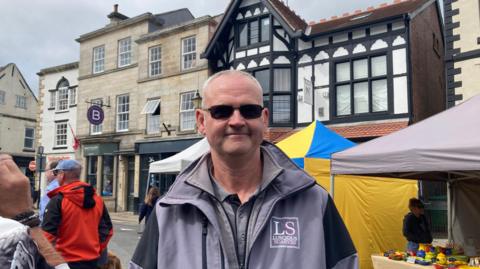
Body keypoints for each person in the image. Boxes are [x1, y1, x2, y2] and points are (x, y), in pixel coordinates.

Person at [129, 70, 358, 269]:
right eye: (221, 111)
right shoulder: (168, 211)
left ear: (264, 119)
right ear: (201, 121)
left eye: (249, 110)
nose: (237, 120)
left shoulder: (315, 202)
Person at [0, 154, 69, 269]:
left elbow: (49, 224)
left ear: (54, 173)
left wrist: (27, 223)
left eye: (46, 170)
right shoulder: (93, 197)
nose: (45, 174)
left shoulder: (53, 191)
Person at [42, 159, 113, 269]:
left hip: (65, 261)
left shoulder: (58, 201)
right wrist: (96, 249)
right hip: (92, 261)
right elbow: (107, 230)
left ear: (62, 174)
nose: (56, 176)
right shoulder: (98, 200)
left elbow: (47, 237)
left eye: (56, 173)